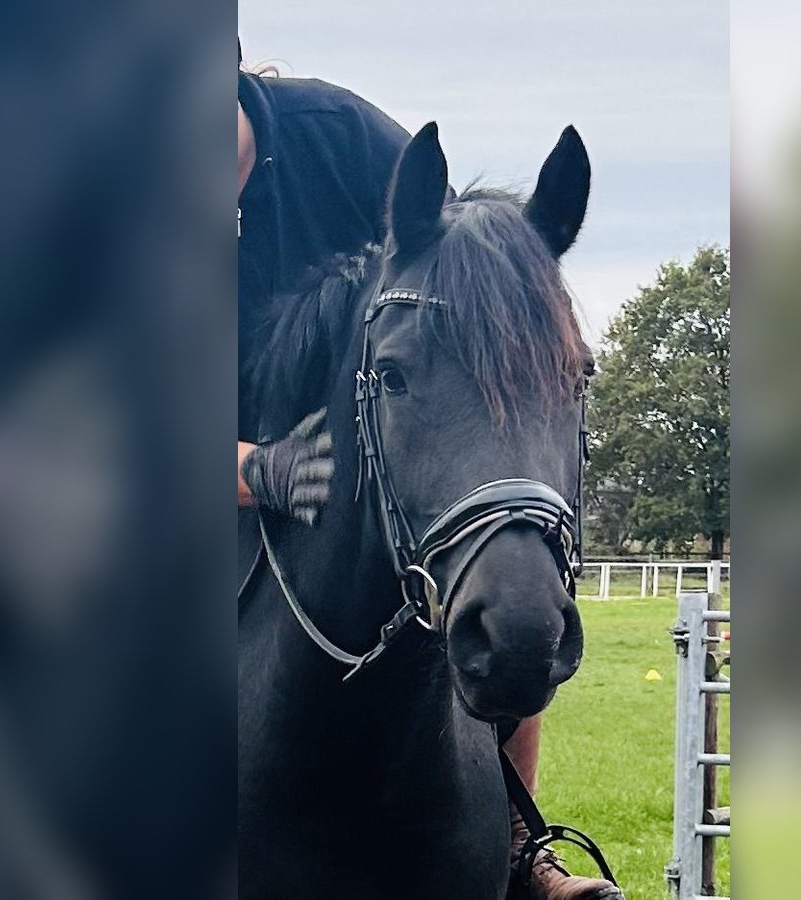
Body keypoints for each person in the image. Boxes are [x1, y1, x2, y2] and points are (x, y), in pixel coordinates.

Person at [236, 46, 617, 900]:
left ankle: (520, 843)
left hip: (351, 427)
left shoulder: (342, 136)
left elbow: (469, 289)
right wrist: (255, 467)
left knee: (490, 579)